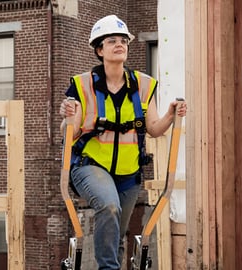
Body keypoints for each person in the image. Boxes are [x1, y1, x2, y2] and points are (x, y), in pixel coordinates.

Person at [59, 14, 187, 270]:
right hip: (90, 166)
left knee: (117, 232)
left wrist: (171, 115)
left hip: (129, 172)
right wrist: (68, 117)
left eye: (123, 41)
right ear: (99, 49)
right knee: (108, 206)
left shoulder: (142, 84)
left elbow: (153, 128)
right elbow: (69, 135)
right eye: (111, 41)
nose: (119, 45)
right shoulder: (84, 86)